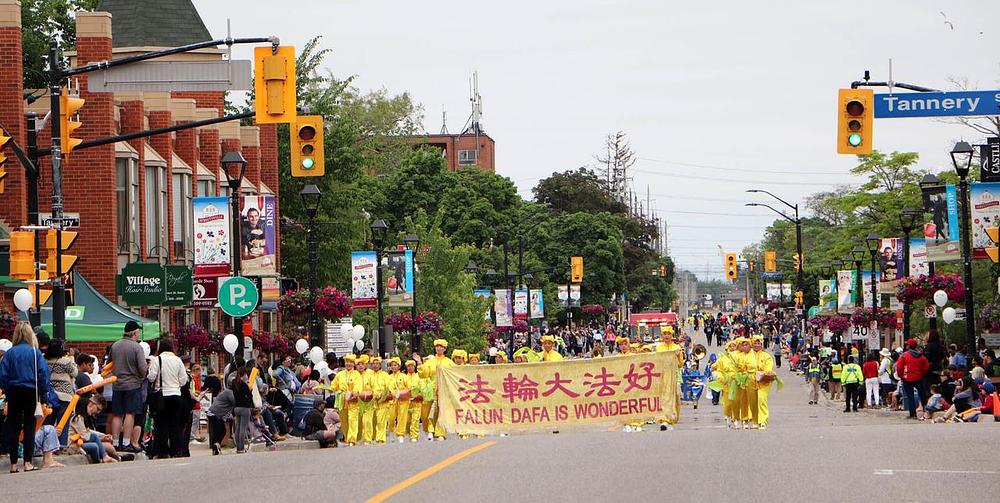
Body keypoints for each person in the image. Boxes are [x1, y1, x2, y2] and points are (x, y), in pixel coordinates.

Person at [0, 322, 51, 473]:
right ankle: (28, 462)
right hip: (31, 390)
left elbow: (3, 375)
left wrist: (7, 391)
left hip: (14, 390)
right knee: (29, 426)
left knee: (13, 426)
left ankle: (13, 464)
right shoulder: (35, 353)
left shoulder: (10, 353)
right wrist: (43, 393)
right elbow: (43, 374)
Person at [147, 339, 189, 458]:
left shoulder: (157, 359)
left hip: (162, 395)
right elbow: (183, 380)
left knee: (161, 424)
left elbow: (151, 377)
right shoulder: (178, 360)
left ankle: (162, 451)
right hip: (175, 395)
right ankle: (176, 450)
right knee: (175, 424)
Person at [110, 321, 147, 453]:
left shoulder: (115, 346)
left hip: (117, 384)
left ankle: (115, 442)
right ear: (135, 332)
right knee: (130, 413)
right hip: (132, 384)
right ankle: (126, 442)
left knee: (117, 414)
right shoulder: (137, 347)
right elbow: (143, 369)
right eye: (138, 332)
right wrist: (142, 376)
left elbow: (110, 364)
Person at [67, 395, 126, 463]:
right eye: (98, 409)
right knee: (96, 445)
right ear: (91, 404)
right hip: (74, 444)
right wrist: (101, 438)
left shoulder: (83, 418)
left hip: (82, 442)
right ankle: (104, 458)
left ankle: (109, 458)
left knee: (99, 445)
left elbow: (88, 430)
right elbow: (85, 436)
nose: (98, 412)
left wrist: (103, 436)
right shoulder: (77, 418)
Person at [421, 339, 454, 440]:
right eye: (437, 346)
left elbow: (453, 376)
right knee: (429, 411)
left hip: (444, 389)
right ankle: (430, 430)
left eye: (441, 346)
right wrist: (419, 363)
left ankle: (440, 433)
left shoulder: (449, 362)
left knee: (441, 411)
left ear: (445, 349)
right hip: (431, 389)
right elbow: (424, 374)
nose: (439, 348)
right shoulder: (430, 362)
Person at [896, 338, 930, 420]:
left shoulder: (904, 356)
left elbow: (899, 367)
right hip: (918, 377)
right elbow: (926, 366)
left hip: (907, 378)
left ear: (908, 346)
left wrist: (901, 376)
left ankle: (913, 414)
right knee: (922, 394)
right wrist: (922, 373)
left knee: (910, 396)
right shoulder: (921, 356)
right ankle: (926, 411)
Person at [751, 335, 775, 429]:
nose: (757, 345)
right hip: (751, 381)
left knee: (761, 399)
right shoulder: (748, 355)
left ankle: (763, 421)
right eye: (755, 343)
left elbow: (768, 369)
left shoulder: (766, 356)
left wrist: (762, 373)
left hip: (763, 382)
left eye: (759, 343)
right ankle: (755, 420)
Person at [231, 366, 254, 454]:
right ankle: (241, 447)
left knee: (237, 428)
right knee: (243, 428)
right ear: (244, 374)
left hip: (236, 407)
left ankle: (238, 447)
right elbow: (249, 396)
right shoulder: (244, 384)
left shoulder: (234, 383)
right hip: (244, 408)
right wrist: (250, 389)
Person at [206, 387, 234, 456]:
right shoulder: (229, 392)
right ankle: (215, 448)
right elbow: (235, 402)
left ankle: (216, 449)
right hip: (214, 414)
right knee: (218, 432)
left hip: (216, 414)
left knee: (220, 432)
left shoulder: (227, 392)